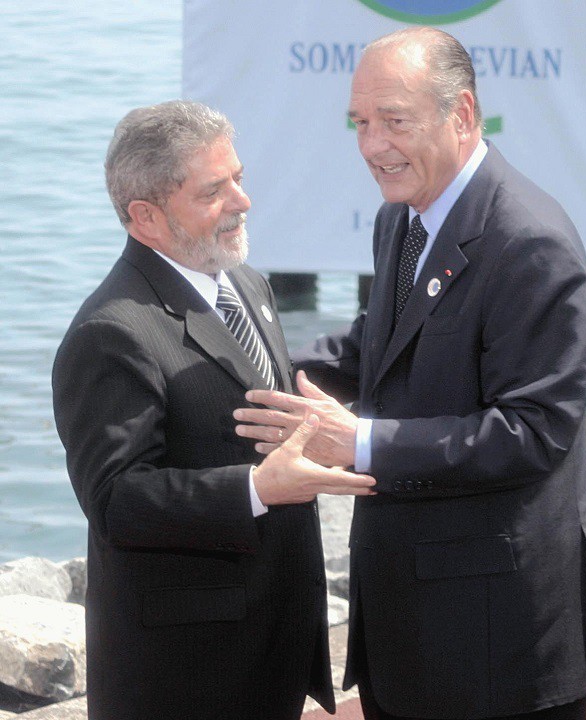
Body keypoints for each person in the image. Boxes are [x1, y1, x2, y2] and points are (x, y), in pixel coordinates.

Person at [233, 27, 586, 720]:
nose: (372, 145)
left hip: (498, 645)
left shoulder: (530, 243)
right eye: (361, 123)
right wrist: (242, 374)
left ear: (462, 114)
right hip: (408, 632)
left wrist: (360, 443)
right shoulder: (403, 218)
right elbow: (374, 348)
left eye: (394, 121)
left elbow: (533, 432)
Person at [52, 100, 376, 720]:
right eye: (212, 191)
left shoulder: (245, 283)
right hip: (185, 675)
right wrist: (256, 488)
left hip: (271, 647)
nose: (242, 201)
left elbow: (252, 397)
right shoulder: (110, 333)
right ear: (146, 216)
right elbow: (116, 501)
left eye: (239, 178)